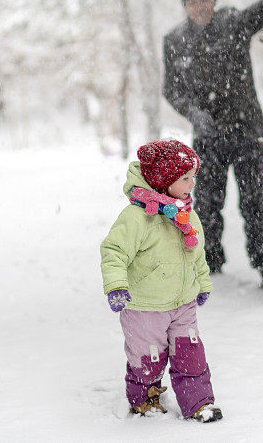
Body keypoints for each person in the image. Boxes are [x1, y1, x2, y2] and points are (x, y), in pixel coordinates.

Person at [162, 0, 263, 288]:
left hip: (246, 130)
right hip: (208, 136)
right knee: (208, 203)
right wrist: (195, 114)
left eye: (204, 0)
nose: (199, 6)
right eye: (192, 2)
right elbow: (171, 89)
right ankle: (209, 263)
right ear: (185, 7)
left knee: (255, 201)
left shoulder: (233, 23)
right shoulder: (174, 40)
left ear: (214, 1)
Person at [99, 139, 222, 423]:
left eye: (193, 177)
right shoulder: (137, 217)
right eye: (185, 178)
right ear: (164, 180)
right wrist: (117, 285)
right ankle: (145, 400)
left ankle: (199, 403)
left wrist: (202, 284)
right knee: (148, 359)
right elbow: (114, 251)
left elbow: (197, 253)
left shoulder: (188, 215)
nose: (192, 184)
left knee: (191, 354)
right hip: (145, 305)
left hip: (183, 302)